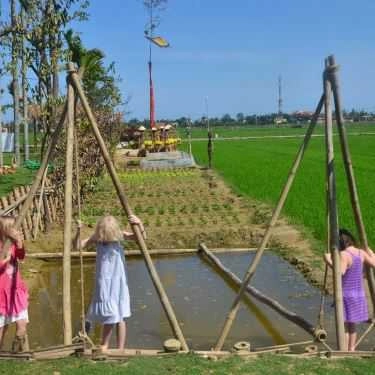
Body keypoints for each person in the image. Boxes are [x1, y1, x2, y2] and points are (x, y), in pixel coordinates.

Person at [77, 214, 145, 352]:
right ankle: (102, 343)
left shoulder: (119, 236)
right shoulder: (97, 238)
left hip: (118, 280)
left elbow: (141, 238)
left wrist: (140, 224)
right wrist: (78, 231)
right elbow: (78, 246)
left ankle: (118, 347)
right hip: (104, 281)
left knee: (119, 314)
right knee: (109, 312)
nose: (106, 237)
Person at [324, 228, 375, 351]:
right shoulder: (360, 253)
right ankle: (351, 348)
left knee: (345, 324)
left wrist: (328, 260)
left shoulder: (344, 255)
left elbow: (340, 272)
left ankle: (344, 350)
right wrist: (371, 252)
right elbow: (374, 263)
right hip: (359, 294)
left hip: (346, 294)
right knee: (352, 325)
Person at [0, 216, 29, 352]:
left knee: (22, 326)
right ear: (4, 230)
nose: (16, 230)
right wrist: (4, 260)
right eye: (12, 227)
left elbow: (21, 256)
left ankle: (15, 351)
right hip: (2, 294)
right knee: (2, 329)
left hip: (15, 292)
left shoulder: (13, 244)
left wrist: (19, 243)